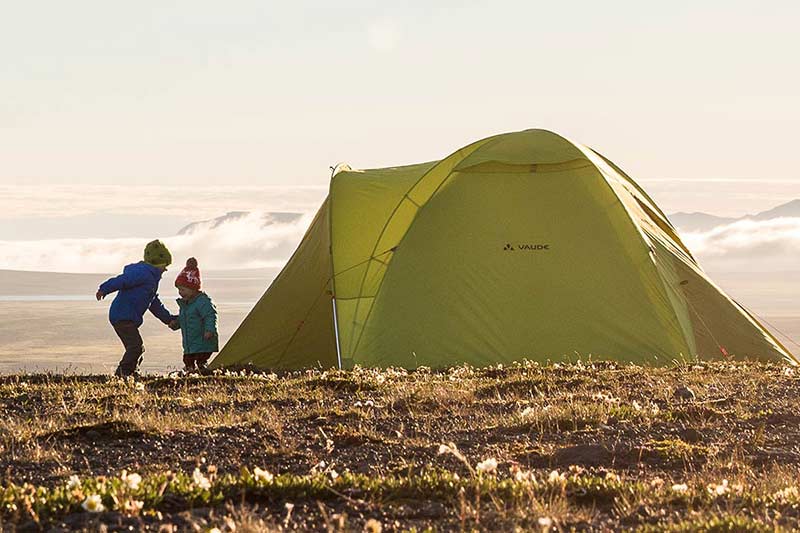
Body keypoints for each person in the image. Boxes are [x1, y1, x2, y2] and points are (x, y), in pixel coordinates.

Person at [96, 240, 177, 377]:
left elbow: (154, 303)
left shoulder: (150, 279)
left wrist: (168, 319)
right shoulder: (143, 274)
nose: (166, 269)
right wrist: (104, 289)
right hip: (123, 316)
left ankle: (132, 372)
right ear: (158, 264)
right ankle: (122, 374)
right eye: (165, 266)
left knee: (137, 348)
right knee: (135, 347)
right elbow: (122, 280)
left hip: (126, 317)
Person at [170, 257, 219, 372]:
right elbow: (184, 319)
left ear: (193, 288)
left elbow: (210, 315)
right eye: (179, 290)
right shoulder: (186, 305)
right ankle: (192, 376)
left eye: (183, 290)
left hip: (203, 342)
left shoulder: (202, 301)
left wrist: (210, 330)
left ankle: (203, 374)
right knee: (187, 361)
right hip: (190, 344)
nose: (180, 293)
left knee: (201, 360)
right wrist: (176, 324)